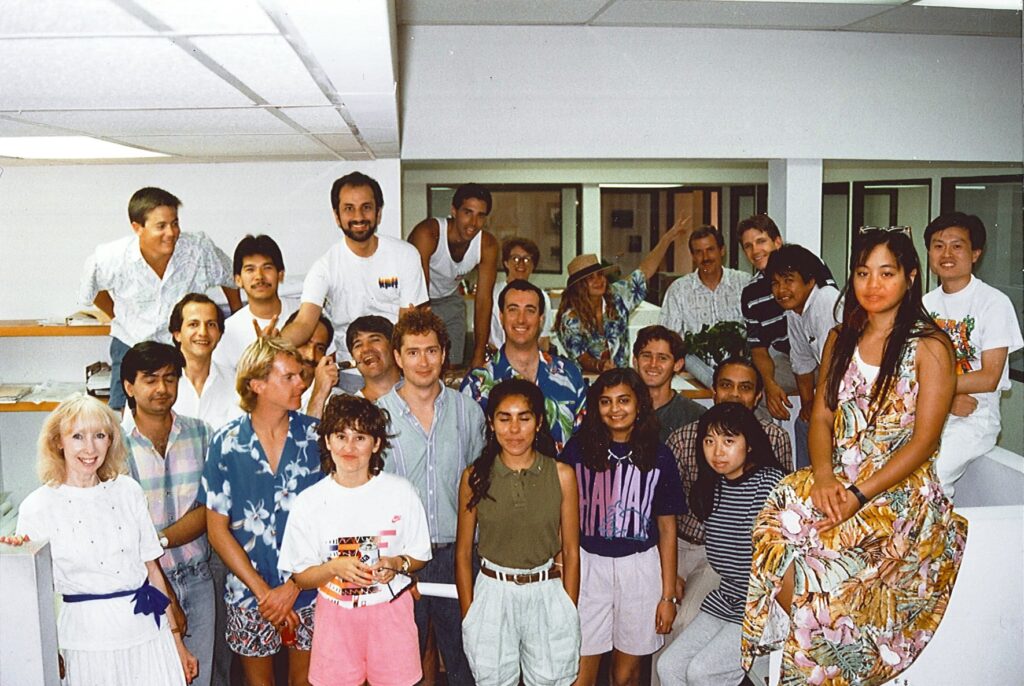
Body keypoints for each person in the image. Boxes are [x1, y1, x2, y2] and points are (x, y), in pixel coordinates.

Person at [741, 229, 969, 685]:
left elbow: (923, 441)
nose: (873, 284)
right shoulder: (840, 338)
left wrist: (858, 494)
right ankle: (811, 640)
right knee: (770, 526)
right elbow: (821, 417)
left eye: (887, 273)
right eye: (863, 273)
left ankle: (827, 658)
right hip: (838, 475)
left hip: (896, 491)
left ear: (910, 277)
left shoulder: (931, 346)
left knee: (822, 575)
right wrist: (824, 477)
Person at [14, 393, 197, 685]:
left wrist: (178, 643)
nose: (90, 448)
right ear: (58, 441)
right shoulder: (37, 507)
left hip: (147, 634)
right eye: (77, 436)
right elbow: (30, 595)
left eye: (100, 435)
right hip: (86, 643)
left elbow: (152, 572)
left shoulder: (127, 491)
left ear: (111, 440)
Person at [278, 394, 431, 686]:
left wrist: (397, 563)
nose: (349, 447)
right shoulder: (309, 502)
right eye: (340, 436)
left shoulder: (401, 492)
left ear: (375, 444)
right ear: (327, 441)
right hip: (336, 618)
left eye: (360, 437)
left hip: (391, 613)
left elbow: (420, 555)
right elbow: (301, 576)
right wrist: (334, 567)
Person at [201, 337, 323, 686]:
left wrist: (293, 588)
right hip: (248, 592)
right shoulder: (225, 443)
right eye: (290, 377)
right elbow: (217, 530)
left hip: (309, 588)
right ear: (257, 384)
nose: (302, 382)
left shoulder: (317, 438)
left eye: (301, 375)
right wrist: (263, 592)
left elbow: (329, 522)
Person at [377, 309, 486, 686]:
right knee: (402, 663)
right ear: (397, 357)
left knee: (464, 661)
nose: (423, 361)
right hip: (402, 559)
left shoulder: (468, 412)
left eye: (431, 351)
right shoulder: (377, 418)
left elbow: (482, 488)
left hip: (460, 554)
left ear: (444, 354)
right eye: (413, 352)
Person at [560, 368, 686, 686]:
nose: (615, 409)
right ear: (596, 407)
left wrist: (667, 595)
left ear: (639, 404)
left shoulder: (660, 455)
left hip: (640, 567)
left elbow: (668, 528)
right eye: (606, 401)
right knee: (578, 670)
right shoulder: (577, 450)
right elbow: (560, 517)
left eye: (623, 400)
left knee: (626, 673)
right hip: (588, 565)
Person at [455, 379, 581, 686]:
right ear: (491, 422)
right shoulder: (474, 476)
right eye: (504, 418)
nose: (514, 429)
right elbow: (462, 553)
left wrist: (568, 606)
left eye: (524, 418)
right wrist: (470, 613)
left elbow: (572, 552)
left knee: (552, 680)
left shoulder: (561, 474)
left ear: (538, 422)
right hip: (493, 592)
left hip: (546, 591)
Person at [656, 403, 787, 686]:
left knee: (703, 672)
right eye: (709, 441)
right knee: (669, 667)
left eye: (729, 441)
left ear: (749, 444)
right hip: (727, 598)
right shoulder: (713, 487)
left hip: (763, 608)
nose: (718, 451)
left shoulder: (771, 485)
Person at [79, 187, 240, 410]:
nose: (171, 232)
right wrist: (118, 314)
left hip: (180, 346)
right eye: (161, 226)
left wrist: (235, 317)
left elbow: (231, 277)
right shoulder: (111, 257)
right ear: (137, 228)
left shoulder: (198, 248)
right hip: (131, 342)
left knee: (182, 411)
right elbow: (93, 289)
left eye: (175, 223)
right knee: (126, 420)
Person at [120, 341, 216, 686]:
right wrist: (165, 593)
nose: (162, 388)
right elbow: (123, 528)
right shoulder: (114, 444)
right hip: (141, 584)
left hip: (199, 577)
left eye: (170, 378)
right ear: (129, 386)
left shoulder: (202, 434)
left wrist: (158, 540)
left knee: (199, 678)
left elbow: (211, 509)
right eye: (150, 379)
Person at [283, 172, 428, 394]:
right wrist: (270, 344)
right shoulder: (324, 267)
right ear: (337, 215)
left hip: (395, 373)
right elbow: (304, 324)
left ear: (379, 213)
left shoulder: (405, 255)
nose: (358, 216)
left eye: (366, 207)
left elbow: (408, 325)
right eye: (349, 208)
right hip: (350, 375)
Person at [922, 212, 1024, 498]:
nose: (947, 253)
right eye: (938, 245)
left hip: (975, 416)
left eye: (957, 245)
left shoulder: (994, 303)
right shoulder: (924, 305)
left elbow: (989, 377)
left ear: (975, 253)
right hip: (931, 410)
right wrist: (944, 397)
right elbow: (911, 371)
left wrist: (941, 392)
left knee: (934, 477)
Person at [462, 279, 587, 453]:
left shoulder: (569, 376)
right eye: (513, 310)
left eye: (530, 310)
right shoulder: (477, 383)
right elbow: (468, 450)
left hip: (559, 479)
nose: (521, 319)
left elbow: (584, 442)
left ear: (541, 319)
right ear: (501, 317)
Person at [738, 214, 835, 423]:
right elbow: (759, 349)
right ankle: (762, 448)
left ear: (777, 241)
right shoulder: (752, 294)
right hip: (790, 357)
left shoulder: (807, 266)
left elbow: (830, 334)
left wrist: (815, 405)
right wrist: (770, 383)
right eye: (748, 246)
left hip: (830, 356)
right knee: (755, 391)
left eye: (761, 241)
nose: (755, 250)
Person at [556, 219, 687, 373]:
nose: (599, 281)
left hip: (622, 379)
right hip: (588, 382)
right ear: (579, 286)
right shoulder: (569, 318)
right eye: (591, 278)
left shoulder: (617, 296)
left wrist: (668, 238)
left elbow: (644, 271)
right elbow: (582, 358)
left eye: (600, 275)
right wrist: (601, 366)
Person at [765, 244, 842, 469]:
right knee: (804, 422)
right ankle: (806, 487)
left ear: (810, 281)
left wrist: (816, 408)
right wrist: (807, 404)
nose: (781, 290)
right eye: (775, 283)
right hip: (834, 390)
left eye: (789, 280)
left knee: (812, 425)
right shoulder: (794, 312)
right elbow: (802, 363)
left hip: (854, 392)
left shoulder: (826, 301)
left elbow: (837, 364)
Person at [409, 183, 500, 368]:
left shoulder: (487, 245)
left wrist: (478, 354)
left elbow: (483, 301)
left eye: (480, 215)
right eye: (468, 213)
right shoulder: (428, 233)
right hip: (419, 301)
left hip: (450, 300)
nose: (473, 223)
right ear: (454, 210)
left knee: (452, 365)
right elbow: (418, 291)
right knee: (425, 362)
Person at [214, 234, 299, 372]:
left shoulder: (304, 314)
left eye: (267, 267)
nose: (259, 276)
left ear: (281, 274)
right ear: (238, 280)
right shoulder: (226, 332)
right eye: (250, 269)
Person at [170, 293, 243, 432]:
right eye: (193, 324)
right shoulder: (158, 383)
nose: (203, 332)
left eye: (211, 324)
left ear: (220, 334)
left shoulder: (236, 383)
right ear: (177, 334)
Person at [659, 224, 748, 338]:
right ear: (693, 256)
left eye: (710, 250)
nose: (705, 257)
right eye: (699, 252)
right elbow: (668, 339)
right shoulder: (678, 291)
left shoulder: (743, 283)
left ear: (722, 250)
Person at [632, 324, 705, 442]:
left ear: (678, 364)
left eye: (662, 358)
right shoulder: (622, 409)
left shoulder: (694, 415)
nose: (653, 364)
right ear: (635, 361)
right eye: (646, 356)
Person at [488, 237, 555, 352]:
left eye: (527, 259)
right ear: (506, 263)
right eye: (515, 258)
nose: (521, 264)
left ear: (533, 266)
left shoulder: (542, 297)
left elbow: (543, 341)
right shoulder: (491, 294)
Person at [346, 315, 402, 401]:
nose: (366, 349)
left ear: (394, 346)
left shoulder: (421, 391)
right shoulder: (352, 408)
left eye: (375, 340)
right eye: (358, 345)